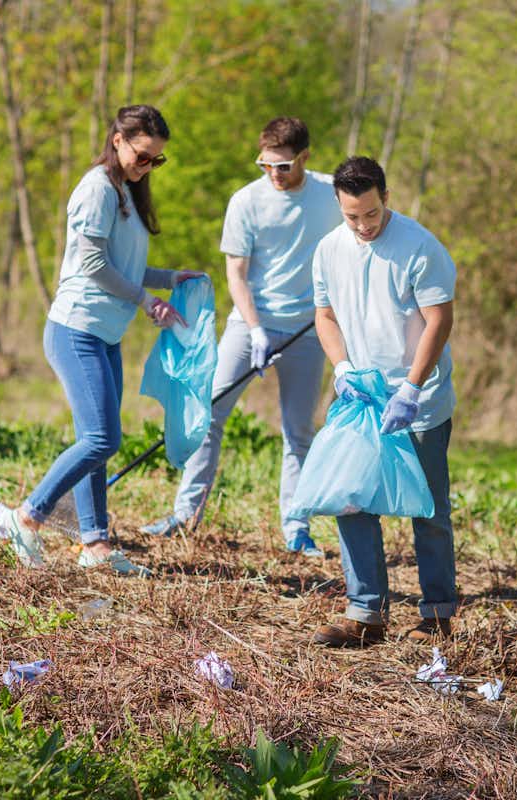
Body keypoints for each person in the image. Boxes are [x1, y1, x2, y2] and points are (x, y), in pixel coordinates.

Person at [0, 104, 203, 576]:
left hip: (106, 334)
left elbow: (123, 267)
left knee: (95, 438)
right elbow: (91, 266)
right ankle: (25, 518)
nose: (147, 167)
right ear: (119, 140)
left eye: (156, 161)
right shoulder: (97, 189)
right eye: (143, 156)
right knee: (103, 439)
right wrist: (148, 301)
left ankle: (95, 545)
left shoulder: (126, 192)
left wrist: (170, 278)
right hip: (76, 329)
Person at [140, 117, 340, 555]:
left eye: (283, 166)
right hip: (251, 325)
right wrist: (256, 330)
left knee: (298, 431)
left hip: (308, 330)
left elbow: (367, 224)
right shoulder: (246, 201)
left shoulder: (330, 194)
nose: (273, 174)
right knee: (207, 415)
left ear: (305, 157)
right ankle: (184, 515)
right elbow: (237, 273)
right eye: (265, 165)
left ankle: (297, 528)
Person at [308, 156, 458, 647]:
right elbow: (325, 315)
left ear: (385, 197)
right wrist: (343, 366)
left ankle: (437, 614)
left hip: (419, 399)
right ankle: (365, 612)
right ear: (339, 206)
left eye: (371, 214)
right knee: (352, 499)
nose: (363, 225)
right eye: (353, 216)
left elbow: (439, 320)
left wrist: (413, 386)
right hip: (362, 398)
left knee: (428, 508)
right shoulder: (329, 249)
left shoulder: (420, 247)